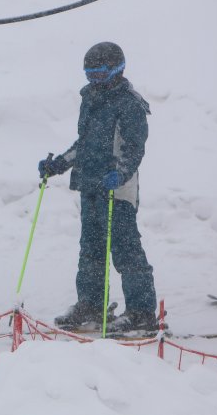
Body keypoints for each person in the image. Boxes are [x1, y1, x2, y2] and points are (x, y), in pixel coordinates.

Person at [38, 42, 158, 333]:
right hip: (91, 186)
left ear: (117, 70)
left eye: (100, 74)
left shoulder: (130, 103)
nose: (94, 79)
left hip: (118, 189)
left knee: (125, 250)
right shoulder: (90, 97)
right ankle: (90, 305)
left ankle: (141, 312)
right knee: (90, 250)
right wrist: (58, 165)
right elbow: (86, 144)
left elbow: (134, 148)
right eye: (89, 74)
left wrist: (121, 173)